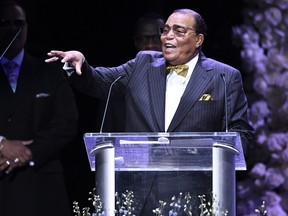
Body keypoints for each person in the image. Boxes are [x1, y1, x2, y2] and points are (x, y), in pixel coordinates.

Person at [45, 8, 255, 215]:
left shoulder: (224, 77)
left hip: (195, 198)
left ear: (198, 40)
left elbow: (242, 133)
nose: (168, 36)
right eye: (165, 30)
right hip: (138, 196)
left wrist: (216, 154)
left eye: (179, 31)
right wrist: (77, 66)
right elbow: (100, 82)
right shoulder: (142, 64)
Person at [0, 1, 78, 216]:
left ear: (26, 28)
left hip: (41, 185)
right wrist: (2, 144)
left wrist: (28, 153)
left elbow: (67, 122)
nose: (12, 30)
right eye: (4, 23)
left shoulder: (49, 72)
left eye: (18, 23)